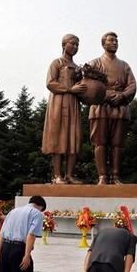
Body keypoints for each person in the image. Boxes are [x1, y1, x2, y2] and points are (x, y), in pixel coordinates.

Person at [88, 32, 137, 185]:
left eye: (116, 40)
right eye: (111, 40)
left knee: (117, 144)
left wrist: (122, 96)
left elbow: (132, 85)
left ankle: (115, 176)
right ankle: (102, 175)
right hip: (100, 107)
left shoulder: (124, 65)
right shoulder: (94, 63)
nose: (115, 42)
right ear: (103, 44)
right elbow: (87, 84)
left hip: (120, 107)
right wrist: (104, 95)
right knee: (100, 142)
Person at [42, 34, 87, 184]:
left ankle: (69, 175)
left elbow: (83, 88)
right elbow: (50, 83)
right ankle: (57, 175)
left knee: (73, 138)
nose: (75, 47)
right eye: (72, 44)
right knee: (58, 138)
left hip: (74, 104)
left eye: (77, 45)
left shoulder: (78, 68)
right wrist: (69, 89)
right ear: (64, 45)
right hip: (59, 103)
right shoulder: (57, 63)